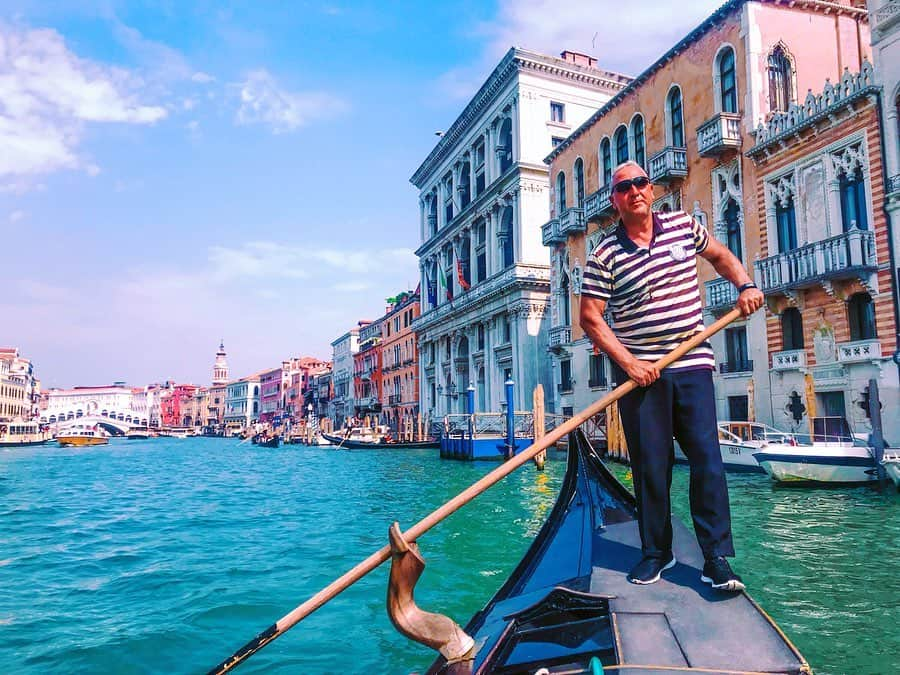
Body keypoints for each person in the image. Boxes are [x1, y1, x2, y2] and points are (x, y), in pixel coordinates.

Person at [579, 161, 764, 591]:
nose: (635, 191)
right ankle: (655, 553)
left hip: (692, 361)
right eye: (624, 187)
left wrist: (745, 285)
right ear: (615, 200)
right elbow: (591, 319)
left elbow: (719, 255)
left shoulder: (683, 225)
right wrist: (629, 363)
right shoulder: (603, 254)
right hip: (640, 375)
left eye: (641, 183)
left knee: (708, 461)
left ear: (652, 190)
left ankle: (716, 558)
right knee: (650, 468)